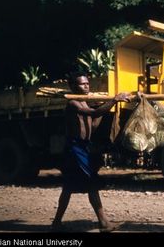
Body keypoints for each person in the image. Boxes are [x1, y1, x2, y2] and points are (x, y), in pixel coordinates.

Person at [51, 72, 130, 232]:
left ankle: (59, 223)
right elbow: (94, 113)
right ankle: (102, 223)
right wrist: (113, 100)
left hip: (83, 147)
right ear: (73, 87)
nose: (87, 86)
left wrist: (104, 107)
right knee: (88, 183)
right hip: (75, 148)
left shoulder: (85, 104)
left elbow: (93, 125)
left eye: (87, 83)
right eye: (82, 84)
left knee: (72, 186)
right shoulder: (74, 104)